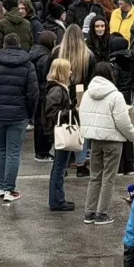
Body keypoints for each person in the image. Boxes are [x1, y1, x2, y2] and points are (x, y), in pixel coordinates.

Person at [0, 32, 39, 204]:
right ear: (19, 44)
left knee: (0, 150)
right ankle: (9, 189)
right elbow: (33, 93)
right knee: (13, 152)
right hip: (19, 115)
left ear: (3, 44)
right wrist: (30, 113)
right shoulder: (28, 66)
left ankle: (0, 187)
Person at [78, 60, 134, 225]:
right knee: (108, 178)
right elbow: (123, 121)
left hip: (95, 140)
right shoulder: (115, 95)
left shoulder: (87, 93)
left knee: (95, 177)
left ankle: (89, 212)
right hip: (113, 141)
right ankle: (101, 213)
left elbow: (82, 114)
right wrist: (133, 136)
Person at [42, 57, 79, 212]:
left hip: (58, 131)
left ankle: (58, 199)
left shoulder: (58, 88)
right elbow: (53, 113)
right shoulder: (58, 90)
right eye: (69, 69)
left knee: (60, 166)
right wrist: (72, 111)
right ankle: (57, 200)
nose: (71, 72)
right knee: (59, 166)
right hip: (60, 132)